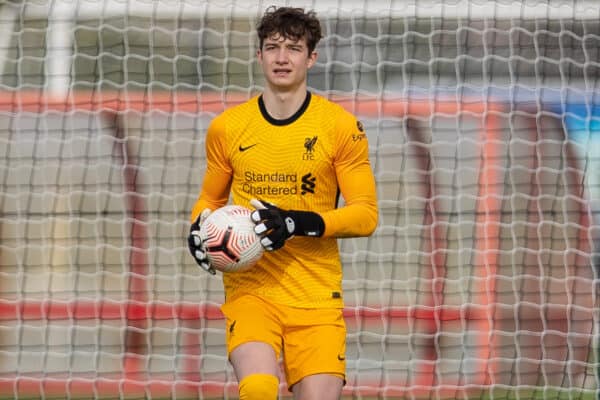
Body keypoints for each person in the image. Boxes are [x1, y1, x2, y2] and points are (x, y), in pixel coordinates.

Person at [187, 6, 378, 400]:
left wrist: (294, 222)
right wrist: (197, 231)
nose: (281, 57)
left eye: (293, 48)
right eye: (272, 47)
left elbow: (365, 214)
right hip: (251, 291)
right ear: (259, 55)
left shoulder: (340, 127)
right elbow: (209, 198)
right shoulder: (228, 127)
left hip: (316, 296)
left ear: (312, 58)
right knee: (257, 388)